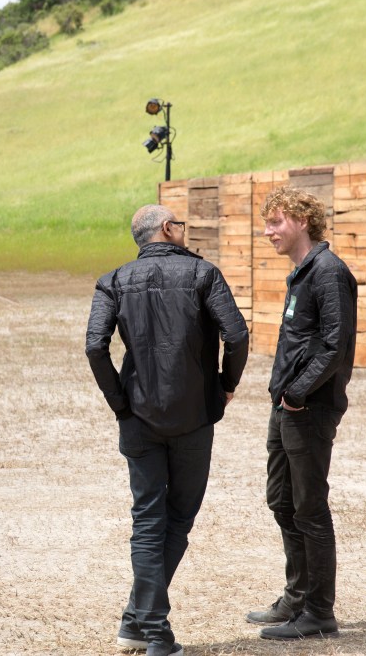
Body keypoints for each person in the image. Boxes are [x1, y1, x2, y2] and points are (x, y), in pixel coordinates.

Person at [86, 204, 249, 656]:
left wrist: (120, 402)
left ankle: (135, 623)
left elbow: (94, 347)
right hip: (194, 416)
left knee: (147, 523)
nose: (184, 231)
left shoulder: (113, 281)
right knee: (177, 519)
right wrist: (226, 386)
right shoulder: (203, 274)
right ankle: (156, 634)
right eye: (181, 224)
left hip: (138, 416)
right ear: (167, 229)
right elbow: (236, 336)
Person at [246, 186, 357, 641]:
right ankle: (296, 596)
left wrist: (296, 393)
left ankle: (318, 612)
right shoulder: (302, 272)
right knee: (282, 499)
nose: (267, 231)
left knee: (310, 508)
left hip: (308, 408)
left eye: (275, 222)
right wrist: (283, 396)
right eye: (266, 223)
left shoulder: (328, 272)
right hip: (287, 405)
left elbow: (335, 344)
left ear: (302, 221)